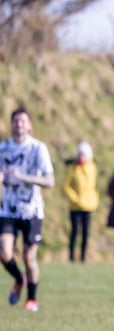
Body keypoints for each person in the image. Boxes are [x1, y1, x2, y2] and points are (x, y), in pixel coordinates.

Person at [0, 107, 55, 312]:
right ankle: (18, 278)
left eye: (23, 121)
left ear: (30, 125)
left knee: (28, 257)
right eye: (16, 120)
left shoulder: (38, 149)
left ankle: (32, 298)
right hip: (8, 210)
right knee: (4, 252)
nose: (19, 124)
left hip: (32, 210)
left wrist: (22, 176)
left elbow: (50, 181)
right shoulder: (3, 148)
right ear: (11, 124)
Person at [62, 141, 99, 263]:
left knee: (85, 232)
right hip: (75, 206)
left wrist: (94, 199)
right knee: (75, 231)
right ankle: (71, 257)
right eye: (80, 154)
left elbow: (92, 186)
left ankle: (83, 257)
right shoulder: (72, 168)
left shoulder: (91, 167)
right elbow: (66, 186)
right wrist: (75, 199)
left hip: (88, 206)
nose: (81, 157)